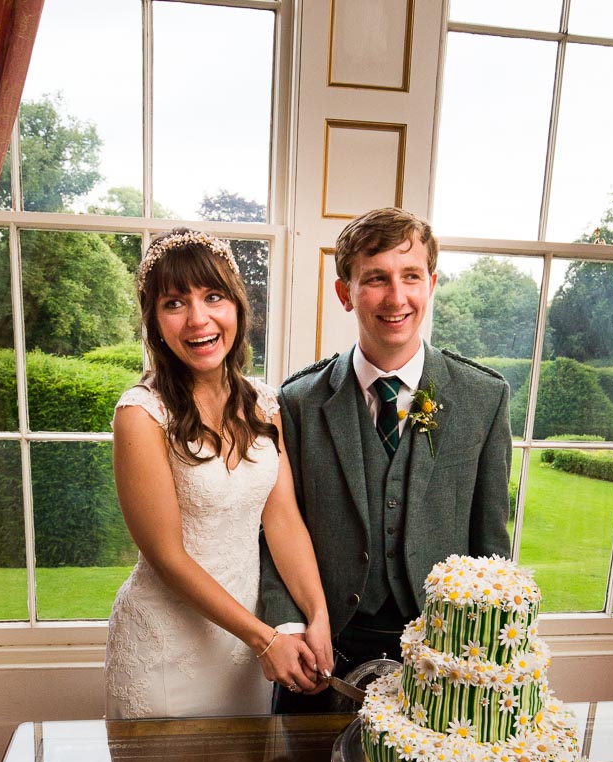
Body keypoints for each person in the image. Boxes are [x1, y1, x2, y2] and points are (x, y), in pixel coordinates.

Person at [260, 207, 511, 712]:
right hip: (324, 656)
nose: (396, 297)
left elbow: (491, 549)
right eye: (375, 279)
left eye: (410, 276)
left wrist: (491, 658)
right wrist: (290, 628)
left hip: (446, 662)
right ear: (345, 293)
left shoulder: (483, 398)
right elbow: (274, 532)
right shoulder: (298, 403)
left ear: (432, 283)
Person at [104, 228, 333, 719]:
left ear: (237, 307)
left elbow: (284, 520)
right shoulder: (141, 415)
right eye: (174, 303)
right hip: (164, 649)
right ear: (155, 322)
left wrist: (317, 616)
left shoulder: (265, 403)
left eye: (213, 297)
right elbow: (166, 556)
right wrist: (265, 638)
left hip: (242, 651)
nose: (198, 319)